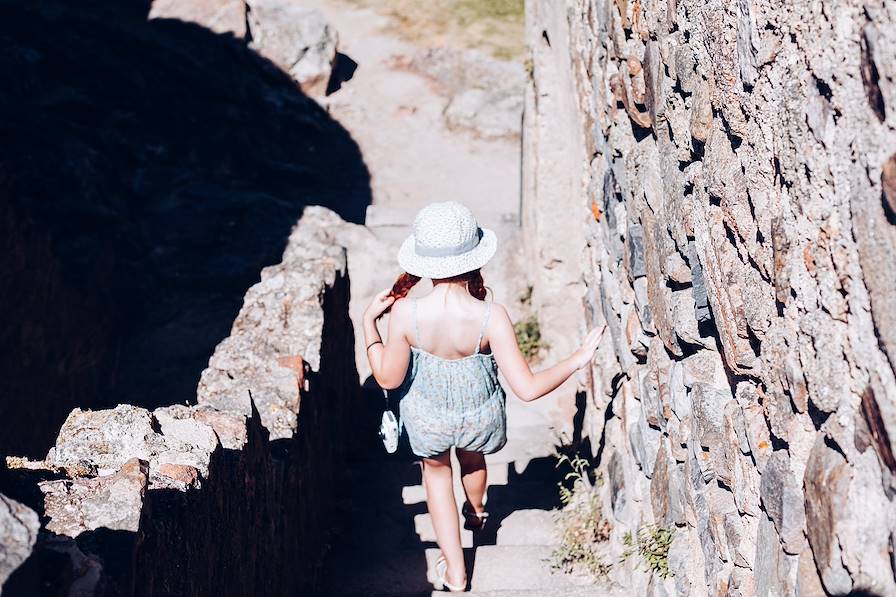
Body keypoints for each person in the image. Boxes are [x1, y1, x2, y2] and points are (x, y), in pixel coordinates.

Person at [362, 201, 604, 592]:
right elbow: (527, 389)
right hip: (479, 415)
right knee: (473, 462)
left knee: (437, 478)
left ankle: (456, 574)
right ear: (473, 257)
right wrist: (576, 360)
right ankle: (476, 512)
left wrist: (368, 325)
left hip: (427, 420)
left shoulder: (406, 314)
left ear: (424, 262)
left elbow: (388, 379)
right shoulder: (492, 315)